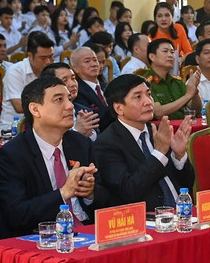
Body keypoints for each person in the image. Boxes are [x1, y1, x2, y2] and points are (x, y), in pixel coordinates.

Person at [0, 77, 109, 238]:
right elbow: (16, 215)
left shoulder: (81, 144)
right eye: (59, 100)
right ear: (35, 109)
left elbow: (106, 197)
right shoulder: (11, 156)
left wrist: (90, 194)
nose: (70, 106)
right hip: (41, 238)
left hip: (86, 231)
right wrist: (63, 193)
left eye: (69, 99)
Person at [93, 74, 194, 211]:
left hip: (182, 213)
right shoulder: (107, 144)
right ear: (119, 108)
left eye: (149, 94)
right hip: (147, 220)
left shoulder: (157, 132)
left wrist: (179, 156)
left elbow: (186, 184)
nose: (148, 102)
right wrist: (159, 153)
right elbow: (129, 192)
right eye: (138, 97)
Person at [0, 32, 54, 132]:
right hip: (14, 129)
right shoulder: (15, 71)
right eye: (43, 58)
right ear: (30, 55)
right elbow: (19, 106)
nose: (48, 62)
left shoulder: (52, 70)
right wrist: (52, 105)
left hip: (44, 127)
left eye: (51, 57)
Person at [142, 38, 202, 120]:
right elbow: (158, 112)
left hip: (182, 126)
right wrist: (188, 96)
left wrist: (194, 92)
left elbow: (196, 109)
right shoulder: (145, 83)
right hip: (159, 129)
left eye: (172, 52)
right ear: (152, 57)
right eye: (165, 51)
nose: (170, 55)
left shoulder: (177, 81)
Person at [40, 62, 100, 140]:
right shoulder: (44, 116)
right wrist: (77, 132)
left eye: (73, 78)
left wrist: (90, 134)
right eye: (65, 80)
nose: (72, 84)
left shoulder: (86, 112)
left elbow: (98, 145)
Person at [70, 46, 114, 132]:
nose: (94, 64)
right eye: (87, 61)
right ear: (76, 68)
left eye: (95, 60)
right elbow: (96, 121)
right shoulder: (77, 92)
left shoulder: (107, 86)